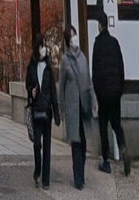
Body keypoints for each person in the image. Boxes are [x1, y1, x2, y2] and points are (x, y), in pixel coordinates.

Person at [92, 13, 130, 176]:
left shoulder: (98, 44)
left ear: (100, 25)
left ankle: (106, 161)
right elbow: (121, 68)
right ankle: (123, 148)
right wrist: (120, 89)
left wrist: (97, 94)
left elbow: (95, 71)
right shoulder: (115, 43)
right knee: (116, 124)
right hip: (115, 91)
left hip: (104, 93)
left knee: (103, 125)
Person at [60, 24, 95, 190]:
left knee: (84, 143)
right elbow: (61, 87)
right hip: (73, 107)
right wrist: (61, 109)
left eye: (75, 35)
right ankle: (78, 178)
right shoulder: (65, 60)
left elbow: (89, 81)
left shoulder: (83, 58)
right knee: (76, 143)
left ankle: (81, 171)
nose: (74, 39)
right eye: (72, 36)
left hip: (84, 106)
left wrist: (93, 101)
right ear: (68, 41)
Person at [26, 32, 60, 189]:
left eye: (44, 46)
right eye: (41, 46)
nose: (43, 49)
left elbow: (53, 91)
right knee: (37, 144)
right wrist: (31, 90)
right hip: (36, 108)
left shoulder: (48, 69)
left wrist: (57, 112)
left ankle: (45, 179)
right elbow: (28, 85)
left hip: (47, 110)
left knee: (47, 146)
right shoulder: (31, 67)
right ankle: (37, 171)